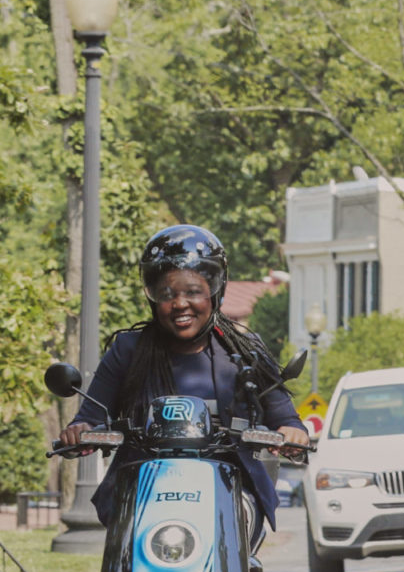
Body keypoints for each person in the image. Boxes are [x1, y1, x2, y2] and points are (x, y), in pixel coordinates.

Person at [61, 224, 310, 529]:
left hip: (229, 489)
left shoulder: (245, 350)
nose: (180, 304)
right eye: (166, 294)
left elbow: (286, 418)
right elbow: (89, 415)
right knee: (121, 554)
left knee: (240, 523)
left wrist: (291, 432)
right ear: (153, 298)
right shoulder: (128, 349)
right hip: (144, 490)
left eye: (193, 292)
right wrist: (79, 431)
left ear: (215, 291)